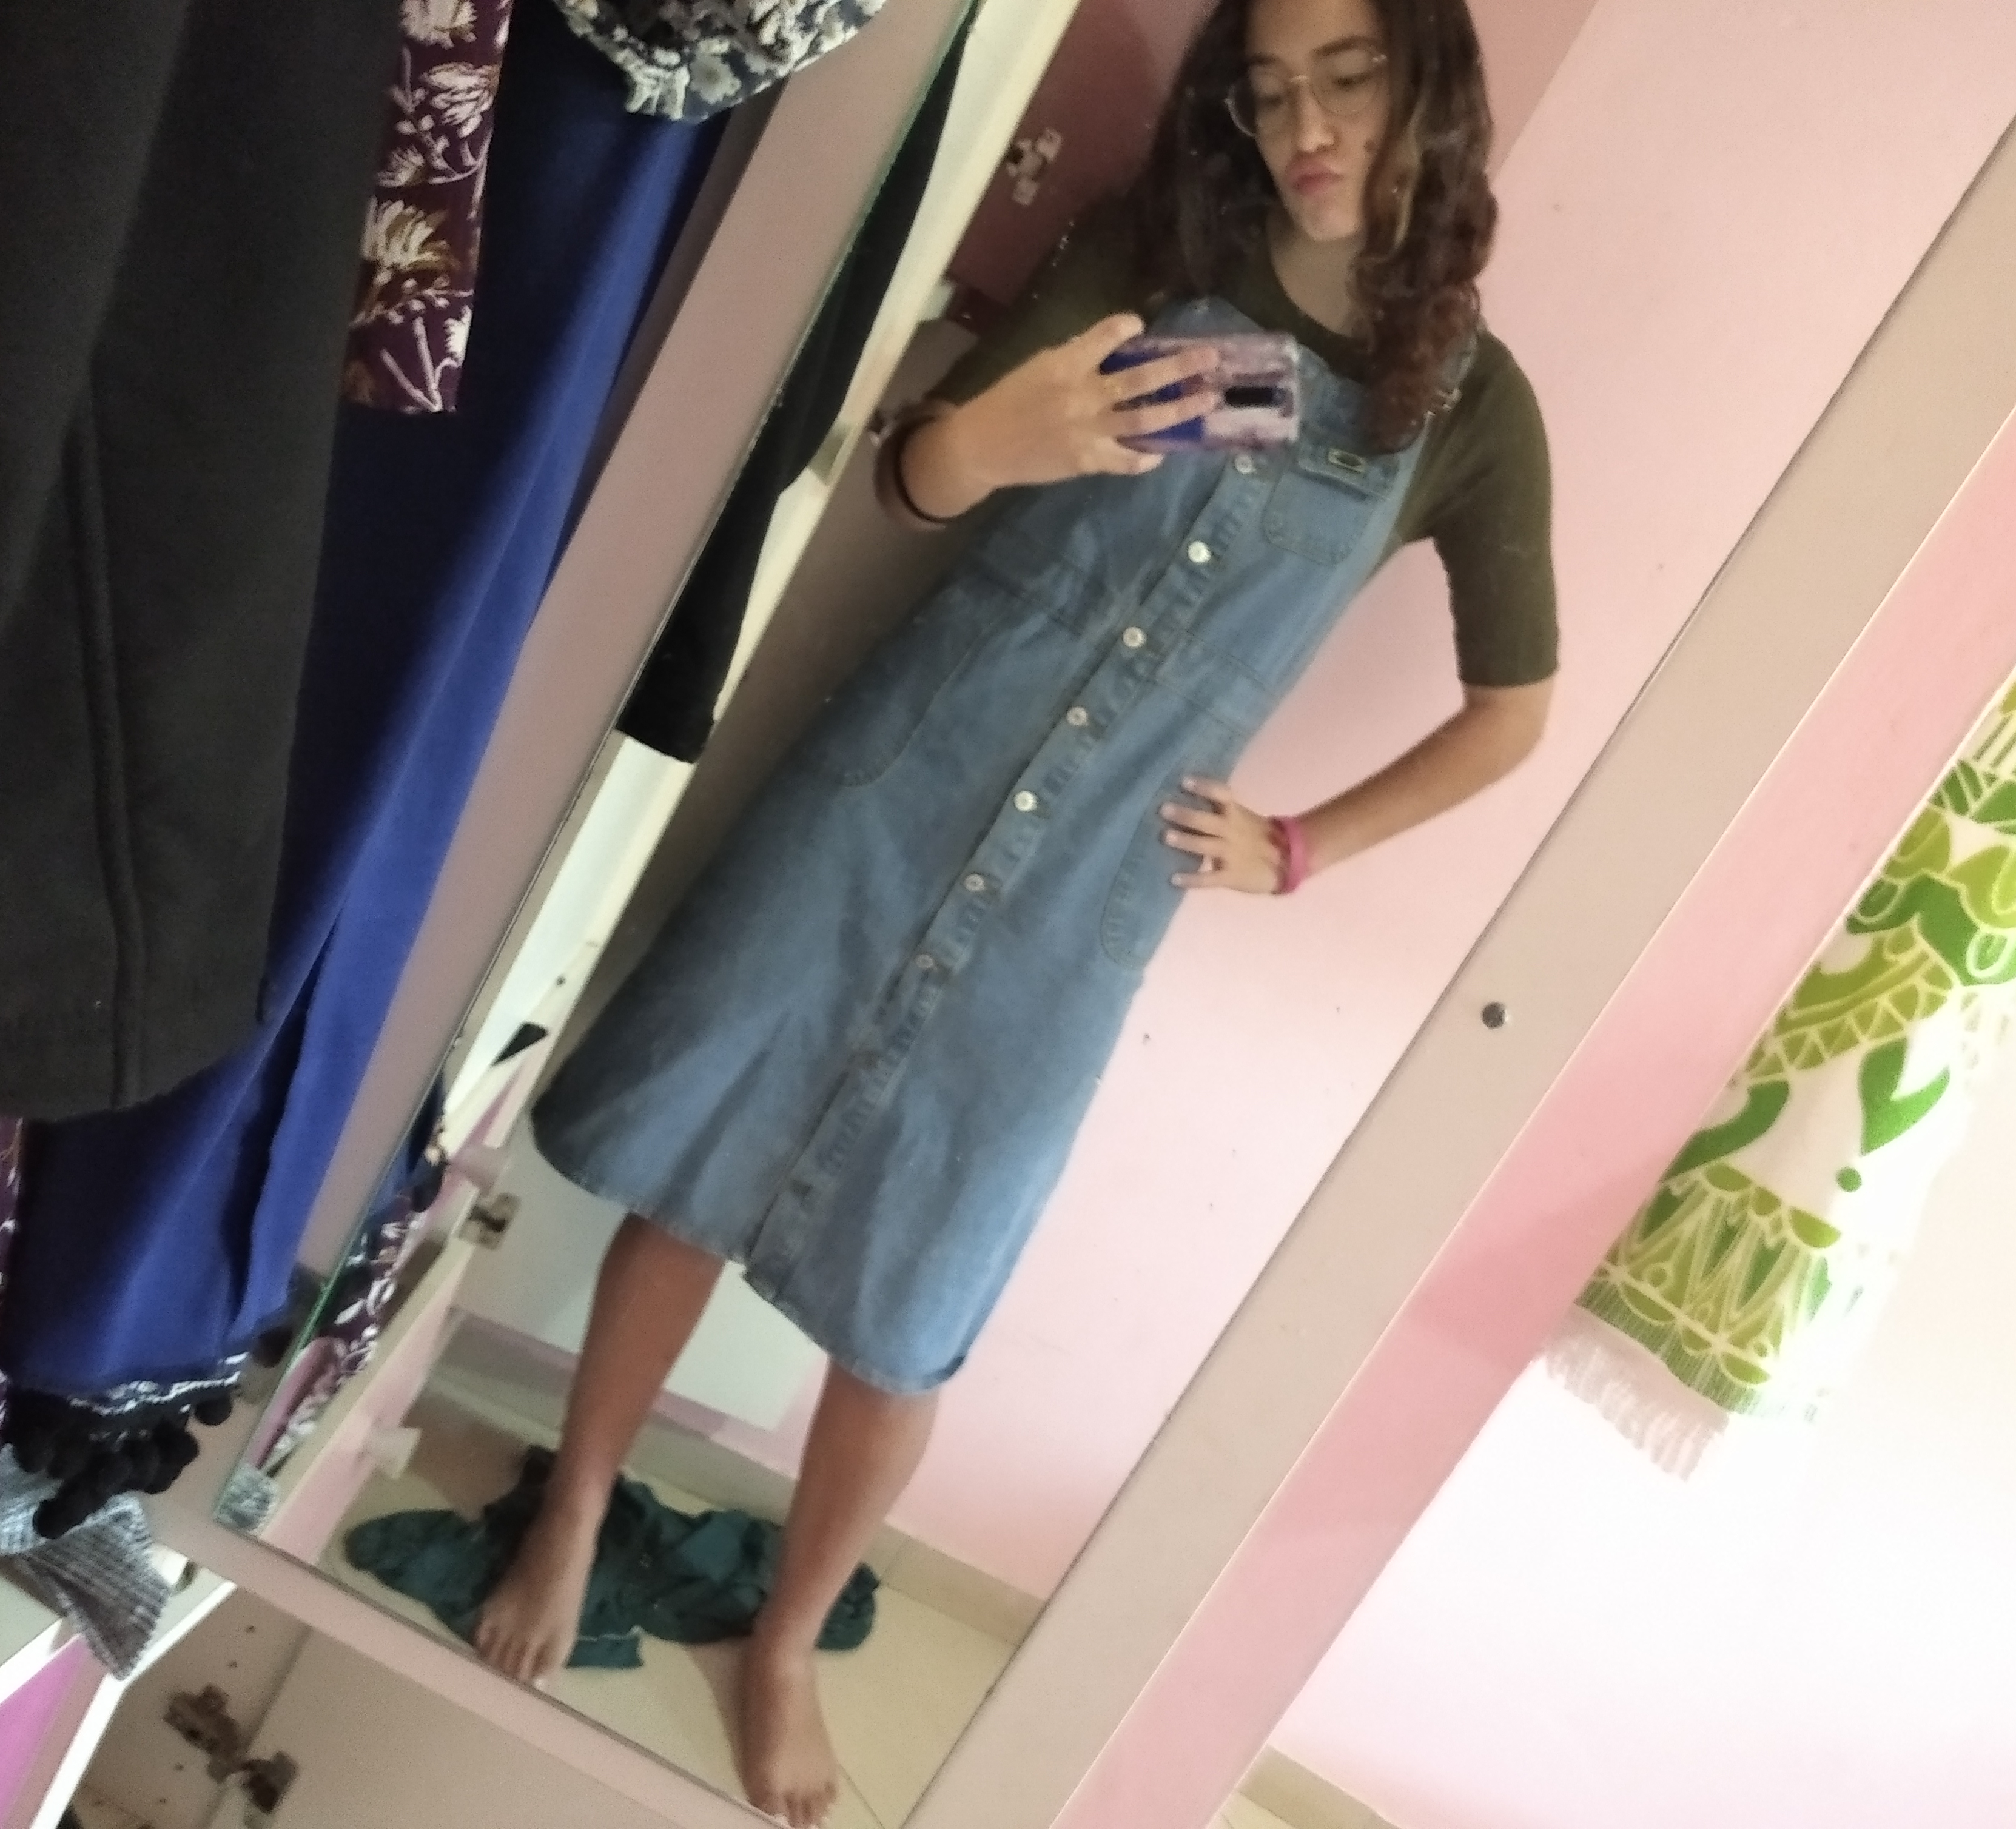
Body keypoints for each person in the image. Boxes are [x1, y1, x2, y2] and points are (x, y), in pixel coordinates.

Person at [477, 0, 1556, 1821]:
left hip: (1091, 888)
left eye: (1349, 76)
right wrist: (997, 441)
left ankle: (789, 1638)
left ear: (1430, 85)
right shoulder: (1159, 252)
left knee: (920, 1293)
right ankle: (574, 1504)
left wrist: (1300, 848)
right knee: (701, 1161)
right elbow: (911, 477)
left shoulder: (1469, 408)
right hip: (903, 779)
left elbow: (1512, 715)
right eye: (1270, 89)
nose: (1306, 126)